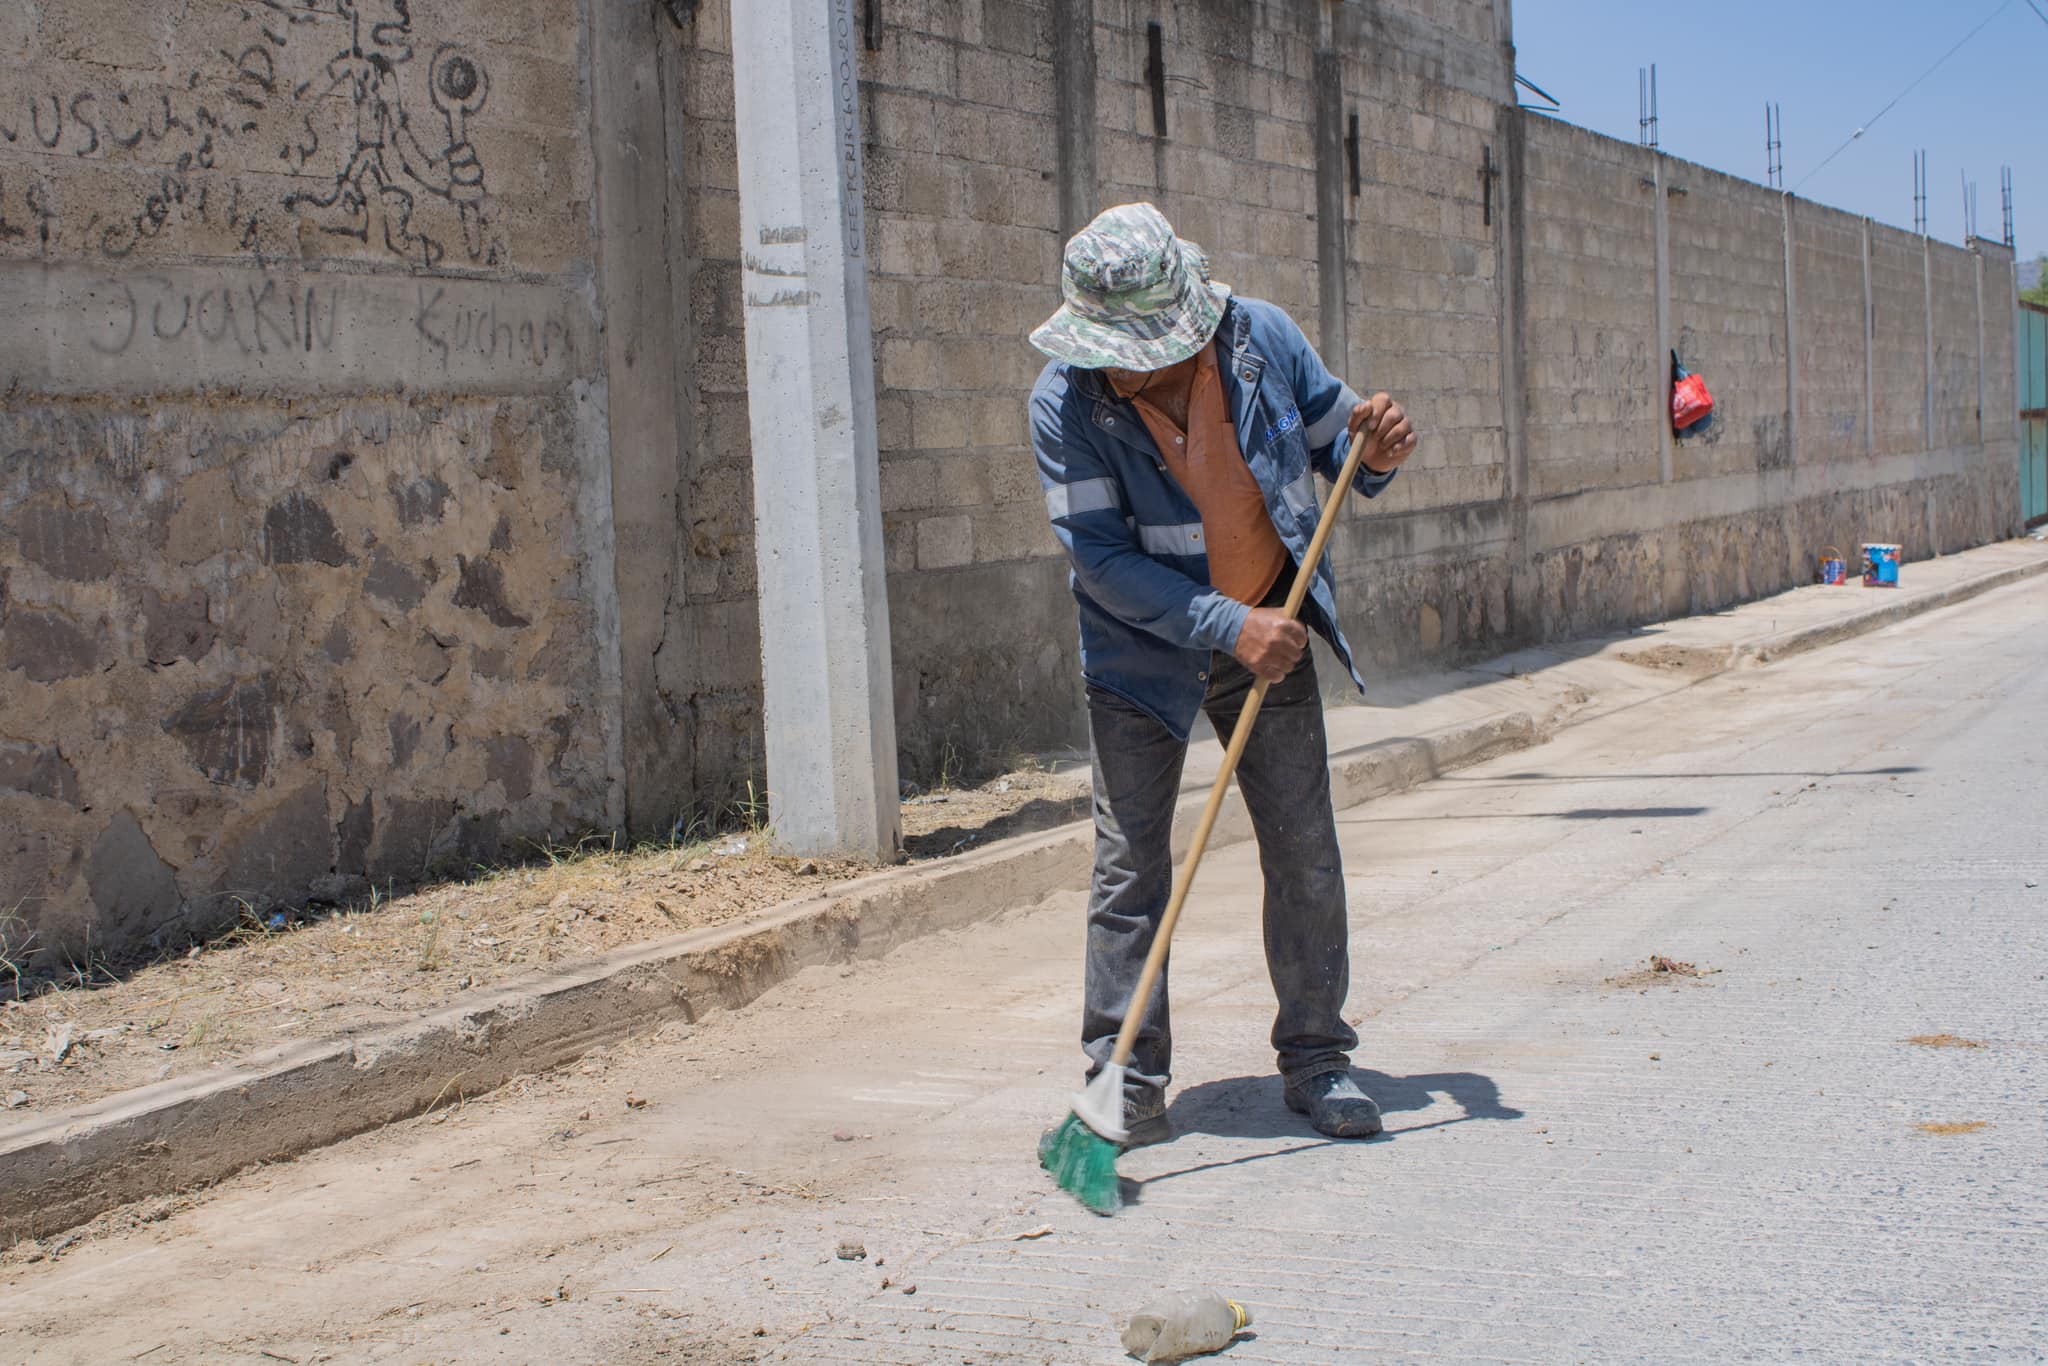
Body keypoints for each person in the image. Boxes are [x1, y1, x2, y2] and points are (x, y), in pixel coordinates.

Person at [1028, 202, 1418, 1143]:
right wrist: (1223, 624)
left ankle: (1319, 1057)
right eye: (1109, 348)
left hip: (1269, 635)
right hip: (1138, 655)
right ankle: (1123, 1078)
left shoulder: (1263, 342)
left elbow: (1345, 449)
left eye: (1142, 346)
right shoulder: (1065, 403)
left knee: (1302, 849)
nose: (1125, 366)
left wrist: (1380, 452)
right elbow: (1101, 560)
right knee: (1131, 870)